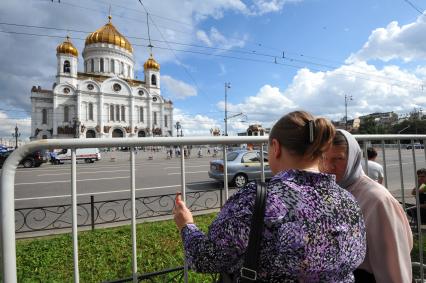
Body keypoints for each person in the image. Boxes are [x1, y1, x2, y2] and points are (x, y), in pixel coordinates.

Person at [174, 111, 366, 282]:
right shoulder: (348, 200)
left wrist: (186, 225)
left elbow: (205, 258)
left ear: (276, 147)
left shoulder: (257, 199)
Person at [320, 130, 413, 283]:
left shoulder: (377, 199)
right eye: (324, 158)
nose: (329, 166)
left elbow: (394, 264)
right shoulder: (330, 191)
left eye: (338, 158)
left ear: (353, 159)